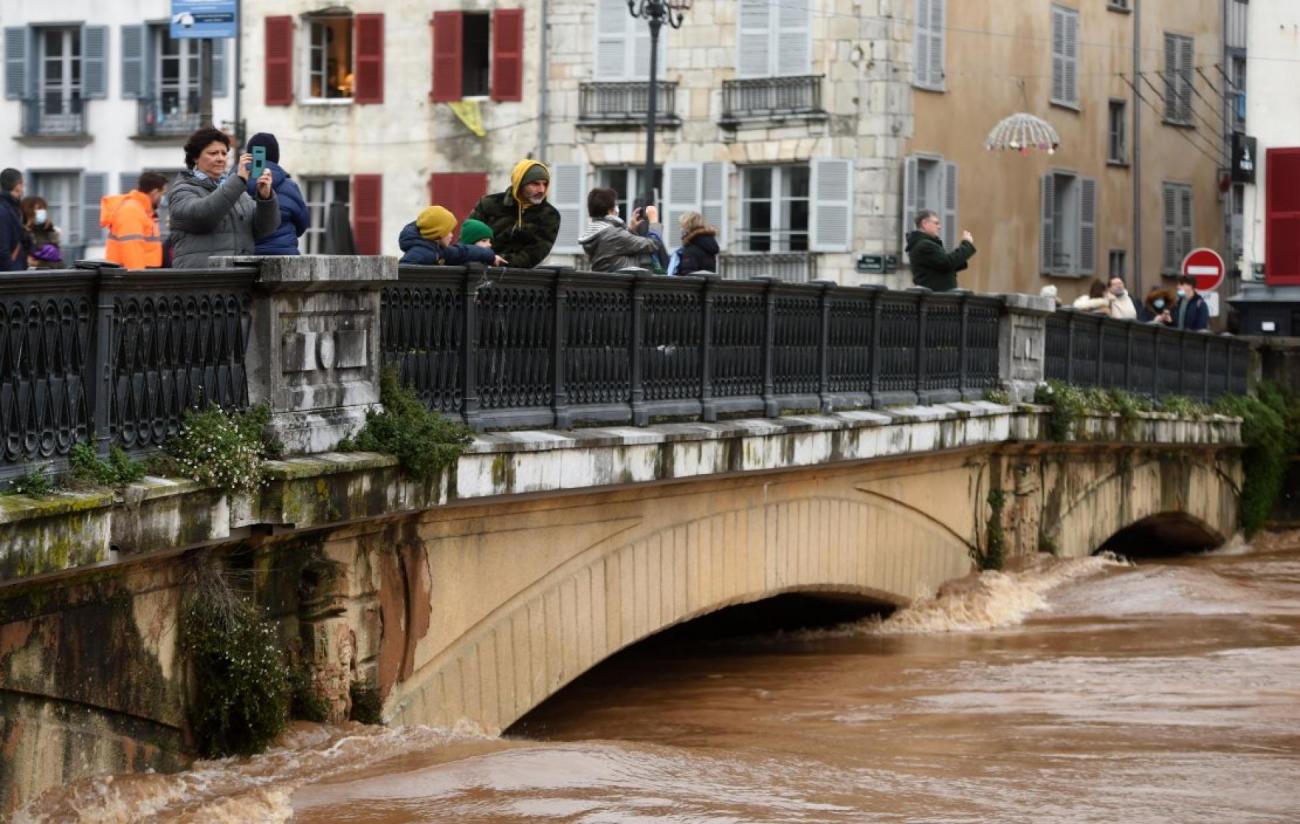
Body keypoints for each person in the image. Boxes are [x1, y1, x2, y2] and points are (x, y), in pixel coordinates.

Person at [167, 126, 280, 269]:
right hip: (200, 282)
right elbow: (202, 217)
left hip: (237, 280)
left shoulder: (236, 190)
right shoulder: (183, 190)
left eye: (224, 153)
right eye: (213, 153)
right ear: (195, 157)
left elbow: (265, 230)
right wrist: (238, 181)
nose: (220, 158)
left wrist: (265, 198)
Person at [466, 160, 561, 269]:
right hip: (478, 271)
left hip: (516, 279)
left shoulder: (550, 215)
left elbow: (536, 252)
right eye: (535, 184)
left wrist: (499, 262)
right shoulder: (488, 204)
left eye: (545, 184)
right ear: (520, 183)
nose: (542, 189)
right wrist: (486, 258)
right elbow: (468, 238)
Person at [243, 132, 308, 255]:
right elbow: (302, 224)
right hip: (283, 256)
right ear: (275, 157)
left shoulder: (233, 182)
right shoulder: (289, 186)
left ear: (250, 155)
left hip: (244, 257)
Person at [578, 187, 666, 273]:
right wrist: (654, 220)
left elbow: (618, 249)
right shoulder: (613, 234)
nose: (617, 208)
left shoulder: (596, 232)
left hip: (606, 284)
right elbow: (653, 244)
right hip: (621, 286)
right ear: (610, 210)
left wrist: (631, 230)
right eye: (616, 205)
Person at [398, 205, 507, 266]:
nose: (451, 235)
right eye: (448, 231)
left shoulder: (438, 250)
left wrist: (491, 256)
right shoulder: (419, 253)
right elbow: (403, 275)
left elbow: (463, 252)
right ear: (438, 234)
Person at [100, 172, 167, 269]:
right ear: (155, 193)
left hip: (140, 275)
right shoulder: (132, 210)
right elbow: (132, 248)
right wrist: (137, 280)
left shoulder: (142, 210)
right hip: (134, 277)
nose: (163, 198)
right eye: (163, 193)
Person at [905, 209, 976, 291]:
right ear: (924, 223)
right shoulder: (925, 245)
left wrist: (962, 255)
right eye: (936, 223)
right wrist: (966, 244)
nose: (939, 227)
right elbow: (947, 262)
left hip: (938, 298)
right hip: (937, 300)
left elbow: (945, 266)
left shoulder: (922, 244)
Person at [20, 196, 62, 269]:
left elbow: (59, 263)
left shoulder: (49, 230)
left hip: (47, 276)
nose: (42, 212)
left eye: (44, 209)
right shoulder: (20, 231)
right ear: (28, 211)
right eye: (39, 209)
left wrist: (38, 263)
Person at [0, 168, 30, 271]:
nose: (23, 189)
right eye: (23, 185)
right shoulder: (5, 210)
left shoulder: (14, 208)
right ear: (18, 186)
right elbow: (3, 248)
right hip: (10, 275)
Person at [674, 211, 719, 276]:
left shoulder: (691, 247)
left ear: (688, 226)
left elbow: (688, 273)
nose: (681, 229)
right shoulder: (707, 243)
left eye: (682, 226)